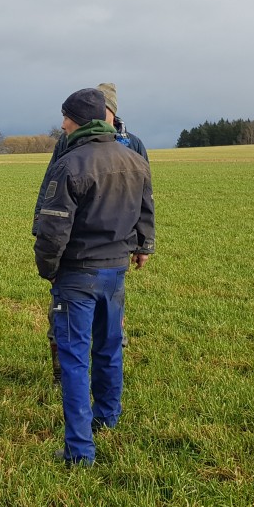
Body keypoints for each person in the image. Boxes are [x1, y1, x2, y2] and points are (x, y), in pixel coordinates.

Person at [34, 88, 154, 466]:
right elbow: (146, 211)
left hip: (77, 274)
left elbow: (52, 229)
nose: (63, 124)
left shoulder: (70, 163)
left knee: (73, 359)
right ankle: (108, 416)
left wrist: (48, 269)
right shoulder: (135, 159)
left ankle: (79, 451)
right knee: (108, 347)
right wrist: (142, 248)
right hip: (115, 271)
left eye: (66, 118)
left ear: (79, 120)